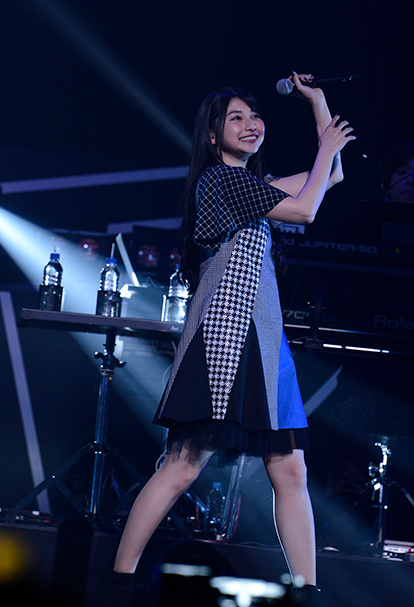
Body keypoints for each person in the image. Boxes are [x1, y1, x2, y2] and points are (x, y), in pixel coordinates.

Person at [96, 72, 356, 606]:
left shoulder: (252, 187)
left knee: (290, 467)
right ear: (213, 135)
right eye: (235, 117)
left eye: (253, 115)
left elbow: (330, 176)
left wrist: (317, 101)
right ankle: (118, 583)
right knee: (183, 464)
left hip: (265, 343)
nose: (250, 123)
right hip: (226, 337)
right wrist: (326, 144)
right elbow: (307, 208)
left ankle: (306, 594)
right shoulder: (220, 181)